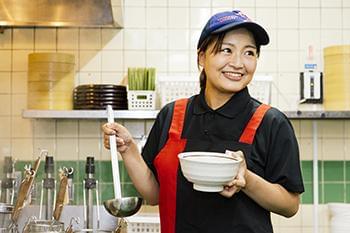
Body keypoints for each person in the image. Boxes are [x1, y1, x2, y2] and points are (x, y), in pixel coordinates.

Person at [102, 9, 304, 233]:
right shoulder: (172, 115)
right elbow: (154, 194)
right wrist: (128, 148)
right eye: (226, 50)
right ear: (201, 57)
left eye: (249, 53)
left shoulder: (270, 122)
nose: (238, 63)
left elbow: (290, 205)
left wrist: (246, 178)